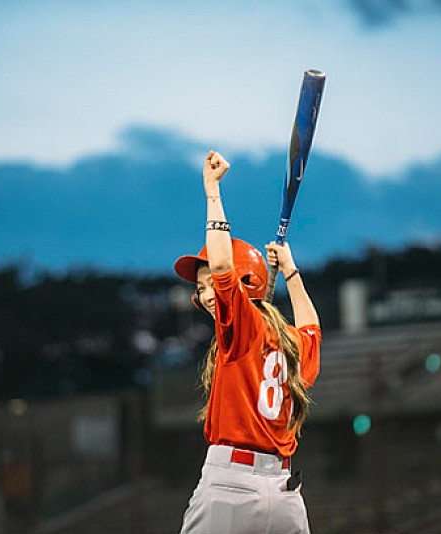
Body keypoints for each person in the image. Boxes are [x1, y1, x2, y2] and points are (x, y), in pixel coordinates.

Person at [174, 151, 321, 534]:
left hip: (231, 487)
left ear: (244, 284)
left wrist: (212, 191)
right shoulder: (289, 343)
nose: (207, 294)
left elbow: (222, 267)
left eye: (210, 286)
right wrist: (291, 271)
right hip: (286, 496)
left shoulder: (241, 328)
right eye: (201, 288)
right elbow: (311, 330)